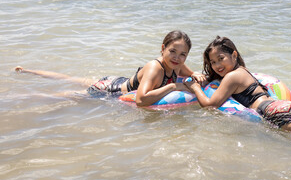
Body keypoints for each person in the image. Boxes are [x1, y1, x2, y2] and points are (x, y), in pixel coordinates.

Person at [14, 30, 206, 107]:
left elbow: (186, 71)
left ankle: (27, 71)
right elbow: (140, 100)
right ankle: (19, 96)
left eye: (183, 54)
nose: (177, 57)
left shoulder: (177, 65)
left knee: (69, 77)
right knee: (62, 95)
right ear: (163, 49)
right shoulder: (154, 68)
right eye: (173, 51)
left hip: (117, 80)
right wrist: (173, 87)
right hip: (107, 90)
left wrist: (195, 74)